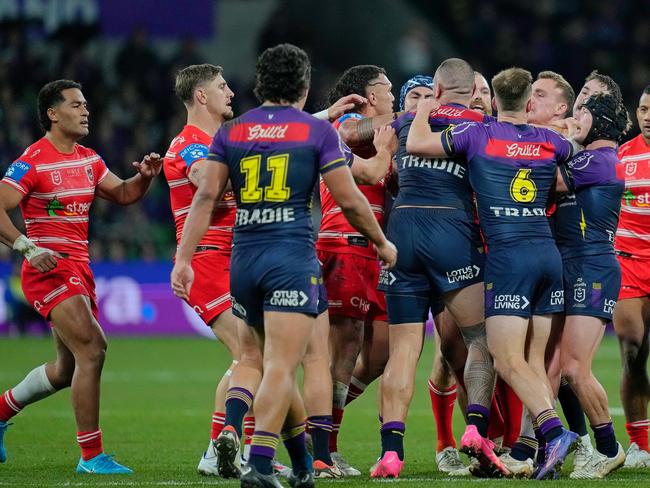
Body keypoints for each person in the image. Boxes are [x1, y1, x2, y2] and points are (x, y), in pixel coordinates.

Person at [170, 43, 396, 488]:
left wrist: (182, 259)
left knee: (252, 360)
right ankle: (262, 463)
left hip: (243, 261)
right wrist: (382, 241)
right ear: (304, 85)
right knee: (300, 362)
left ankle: (291, 459)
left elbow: (205, 197)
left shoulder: (231, 133)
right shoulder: (315, 134)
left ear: (260, 83)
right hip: (290, 259)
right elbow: (350, 197)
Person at [407, 67, 577, 480]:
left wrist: (425, 105)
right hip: (548, 256)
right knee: (533, 361)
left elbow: (417, 142)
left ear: (496, 101)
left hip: (509, 258)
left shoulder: (480, 135)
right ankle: (536, 451)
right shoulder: (552, 141)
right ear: (529, 103)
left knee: (504, 357)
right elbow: (568, 170)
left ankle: (554, 433)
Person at [0, 79, 162, 473]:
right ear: (53, 114)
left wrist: (144, 177)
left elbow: (122, 194)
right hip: (50, 269)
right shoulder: (32, 161)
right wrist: (28, 248)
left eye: (86, 104)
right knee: (92, 347)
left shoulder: (88, 159)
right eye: (76, 105)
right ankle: (91, 457)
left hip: (79, 268)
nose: (86, 110)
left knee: (67, 368)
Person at [374, 58, 504, 479]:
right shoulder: (480, 127)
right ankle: (476, 428)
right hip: (452, 231)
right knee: (483, 338)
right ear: (473, 92)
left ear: (437, 88)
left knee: (404, 353)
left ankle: (391, 452)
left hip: (402, 234)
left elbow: (355, 136)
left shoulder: (408, 121)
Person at [163, 64, 241, 476]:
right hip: (207, 262)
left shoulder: (221, 141)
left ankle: (219, 448)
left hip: (237, 259)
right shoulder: (187, 145)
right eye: (222, 86)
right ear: (202, 97)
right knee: (251, 355)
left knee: (252, 357)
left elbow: (276, 134)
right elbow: (207, 179)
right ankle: (225, 449)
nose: (231, 92)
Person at [317, 65, 395, 475]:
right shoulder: (344, 123)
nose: (394, 95)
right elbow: (354, 140)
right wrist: (415, 119)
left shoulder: (387, 134)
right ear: (366, 96)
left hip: (373, 253)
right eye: (387, 88)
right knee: (342, 352)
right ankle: (322, 446)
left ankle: (312, 423)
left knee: (377, 353)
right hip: (345, 245)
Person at [554, 92, 630, 478]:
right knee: (558, 365)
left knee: (573, 367)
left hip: (591, 268)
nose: (574, 116)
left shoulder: (596, 160)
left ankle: (608, 447)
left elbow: (546, 181)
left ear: (598, 121)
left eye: (581, 112)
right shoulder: (591, 159)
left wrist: (555, 140)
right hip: (573, 264)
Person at [614, 84, 650, 469]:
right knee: (631, 348)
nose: (648, 117)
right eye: (642, 109)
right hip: (627, 263)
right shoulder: (621, 157)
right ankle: (639, 443)